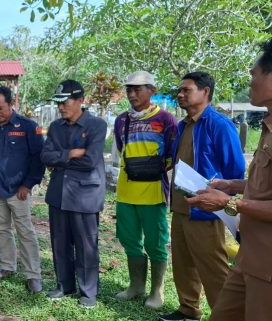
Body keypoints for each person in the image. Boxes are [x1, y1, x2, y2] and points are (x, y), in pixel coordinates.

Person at [188, 39, 272, 321]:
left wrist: (231, 201)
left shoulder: (220, 124)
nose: (250, 82)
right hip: (249, 255)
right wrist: (236, 186)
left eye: (254, 75)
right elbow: (264, 188)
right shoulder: (268, 125)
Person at [159, 72, 246, 321]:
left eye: (186, 90)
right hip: (181, 206)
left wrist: (220, 199)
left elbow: (235, 170)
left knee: (213, 267)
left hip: (206, 209)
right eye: (180, 90)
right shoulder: (183, 125)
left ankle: (227, 315)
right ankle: (188, 309)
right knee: (183, 263)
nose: (180, 94)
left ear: (205, 92)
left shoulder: (219, 124)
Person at [112, 71, 177, 309]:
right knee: (129, 239)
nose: (132, 94)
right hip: (126, 192)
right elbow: (122, 150)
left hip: (153, 192)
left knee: (156, 242)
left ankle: (157, 291)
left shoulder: (165, 119)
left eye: (138, 89)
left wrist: (154, 168)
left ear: (152, 90)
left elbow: (172, 153)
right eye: (129, 89)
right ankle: (136, 285)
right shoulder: (121, 120)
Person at [0, 86, 45, 293]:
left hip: (18, 191)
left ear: (11, 104)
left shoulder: (28, 127)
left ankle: (33, 275)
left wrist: (28, 185)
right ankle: (7, 267)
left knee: (25, 232)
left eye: (1, 108)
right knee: (0, 228)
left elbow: (38, 159)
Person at [41, 79, 107, 308]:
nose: (61, 107)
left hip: (85, 195)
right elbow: (45, 156)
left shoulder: (97, 125)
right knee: (60, 243)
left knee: (86, 245)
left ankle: (88, 291)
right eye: (58, 102)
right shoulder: (57, 127)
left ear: (81, 100)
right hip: (59, 193)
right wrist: (70, 154)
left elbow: (90, 161)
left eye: (65, 101)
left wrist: (60, 159)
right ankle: (64, 285)